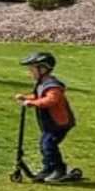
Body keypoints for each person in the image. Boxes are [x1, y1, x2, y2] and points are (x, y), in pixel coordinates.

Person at [17, 51, 82, 183]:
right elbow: (40, 96)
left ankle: (57, 169)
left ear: (43, 69)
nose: (30, 72)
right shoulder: (42, 83)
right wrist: (27, 97)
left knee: (48, 145)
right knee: (45, 144)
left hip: (59, 123)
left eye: (32, 69)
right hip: (51, 123)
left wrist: (32, 103)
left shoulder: (52, 85)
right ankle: (50, 168)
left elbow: (50, 100)